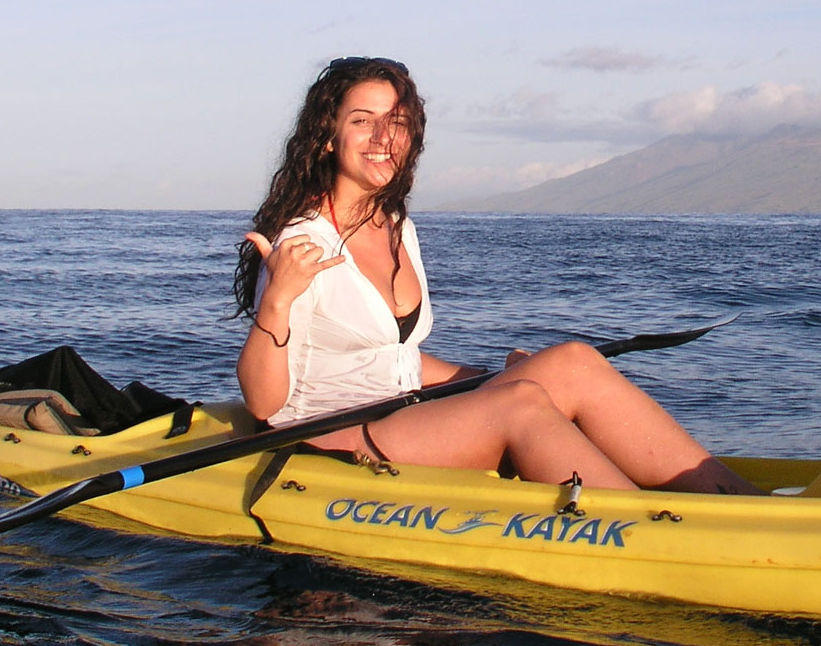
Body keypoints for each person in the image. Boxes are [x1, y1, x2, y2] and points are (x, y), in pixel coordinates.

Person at [234, 57, 760, 494]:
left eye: (396, 121)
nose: (382, 137)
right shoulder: (301, 241)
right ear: (327, 137)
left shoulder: (394, 225)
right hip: (332, 437)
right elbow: (266, 403)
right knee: (519, 404)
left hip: (403, 413)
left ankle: (742, 504)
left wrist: (486, 376)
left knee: (572, 362)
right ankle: (662, 532)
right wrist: (277, 300)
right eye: (362, 120)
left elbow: (394, 357)